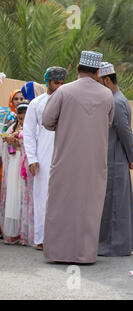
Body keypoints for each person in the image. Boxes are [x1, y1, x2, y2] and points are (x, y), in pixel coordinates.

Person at [42, 51, 114, 264]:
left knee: (60, 204)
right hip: (94, 164)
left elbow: (47, 121)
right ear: (98, 71)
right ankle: (85, 254)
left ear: (77, 69)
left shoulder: (63, 91)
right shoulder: (106, 95)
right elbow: (108, 122)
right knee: (88, 208)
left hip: (65, 161)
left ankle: (58, 252)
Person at [96, 62, 133, 256]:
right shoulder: (114, 99)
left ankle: (112, 245)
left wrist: (131, 155)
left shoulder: (116, 101)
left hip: (115, 158)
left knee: (113, 203)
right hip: (115, 157)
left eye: (98, 82)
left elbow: (125, 132)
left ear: (107, 80)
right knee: (115, 202)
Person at [23, 66, 67, 250]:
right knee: (42, 197)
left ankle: (62, 238)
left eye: (62, 83)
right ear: (48, 81)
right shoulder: (37, 103)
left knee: (64, 197)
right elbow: (28, 132)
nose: (59, 86)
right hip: (43, 156)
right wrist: (32, 159)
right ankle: (41, 238)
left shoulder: (68, 102)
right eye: (56, 82)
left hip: (65, 156)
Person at [0, 102, 30, 245]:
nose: (21, 120)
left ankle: (22, 232)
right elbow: (4, 141)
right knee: (11, 195)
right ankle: (11, 232)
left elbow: (32, 144)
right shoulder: (12, 127)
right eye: (19, 117)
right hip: (12, 165)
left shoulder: (32, 128)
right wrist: (8, 140)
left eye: (24, 117)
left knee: (21, 195)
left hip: (22, 165)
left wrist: (19, 143)